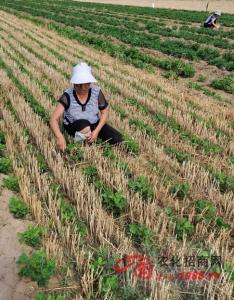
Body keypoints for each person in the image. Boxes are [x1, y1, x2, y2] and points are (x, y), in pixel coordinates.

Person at [50, 62, 123, 151]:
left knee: (118, 139)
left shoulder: (96, 92)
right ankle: (79, 145)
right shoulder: (68, 95)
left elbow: (105, 112)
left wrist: (96, 131)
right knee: (84, 125)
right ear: (74, 84)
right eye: (79, 85)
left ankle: (90, 135)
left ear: (90, 82)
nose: (83, 88)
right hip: (74, 125)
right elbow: (53, 119)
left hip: (93, 124)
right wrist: (59, 137)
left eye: (86, 84)